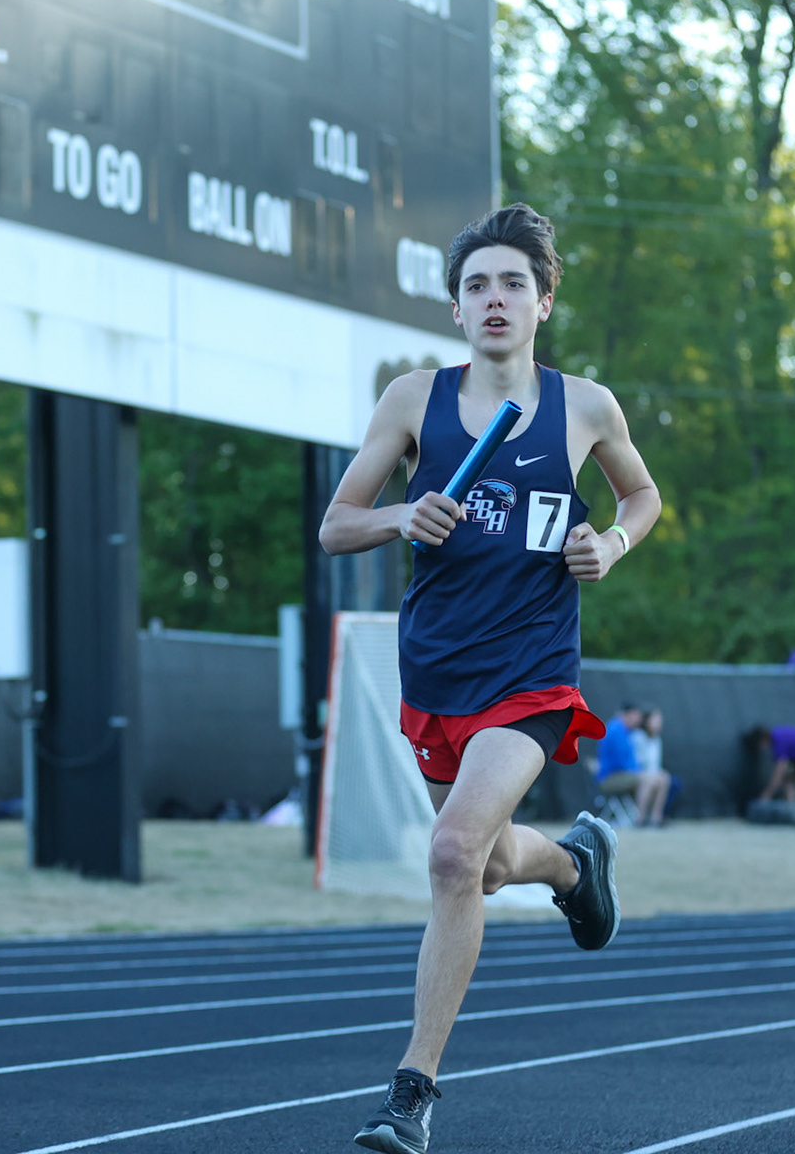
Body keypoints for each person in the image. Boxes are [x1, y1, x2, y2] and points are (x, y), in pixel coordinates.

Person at [319, 203, 661, 1154]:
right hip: (439, 669)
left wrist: (614, 541)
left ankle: (410, 1095)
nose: (496, 298)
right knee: (490, 858)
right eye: (478, 285)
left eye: (515, 282)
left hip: (533, 673)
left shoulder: (584, 406)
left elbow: (643, 493)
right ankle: (573, 861)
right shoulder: (411, 401)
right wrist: (402, 517)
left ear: (544, 301)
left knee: (448, 855)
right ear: (458, 310)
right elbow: (336, 525)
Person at [593, 704, 656, 822]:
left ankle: (655, 818)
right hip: (610, 778)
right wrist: (639, 772)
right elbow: (620, 762)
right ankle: (640, 819)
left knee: (658, 779)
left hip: (621, 775)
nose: (639, 720)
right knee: (647, 780)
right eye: (636, 716)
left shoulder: (626, 732)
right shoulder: (616, 731)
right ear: (629, 714)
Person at [748, 724, 795, 804]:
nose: (760, 748)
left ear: (762, 739)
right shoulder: (776, 739)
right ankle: (791, 805)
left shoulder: (778, 741)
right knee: (788, 779)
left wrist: (768, 793)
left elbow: (779, 771)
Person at [631, 706, 678, 826]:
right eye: (655, 720)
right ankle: (640, 817)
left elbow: (655, 764)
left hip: (651, 773)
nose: (659, 723)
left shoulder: (657, 740)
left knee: (664, 778)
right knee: (651, 780)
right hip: (637, 773)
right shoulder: (637, 737)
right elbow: (637, 762)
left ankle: (655, 817)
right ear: (647, 721)